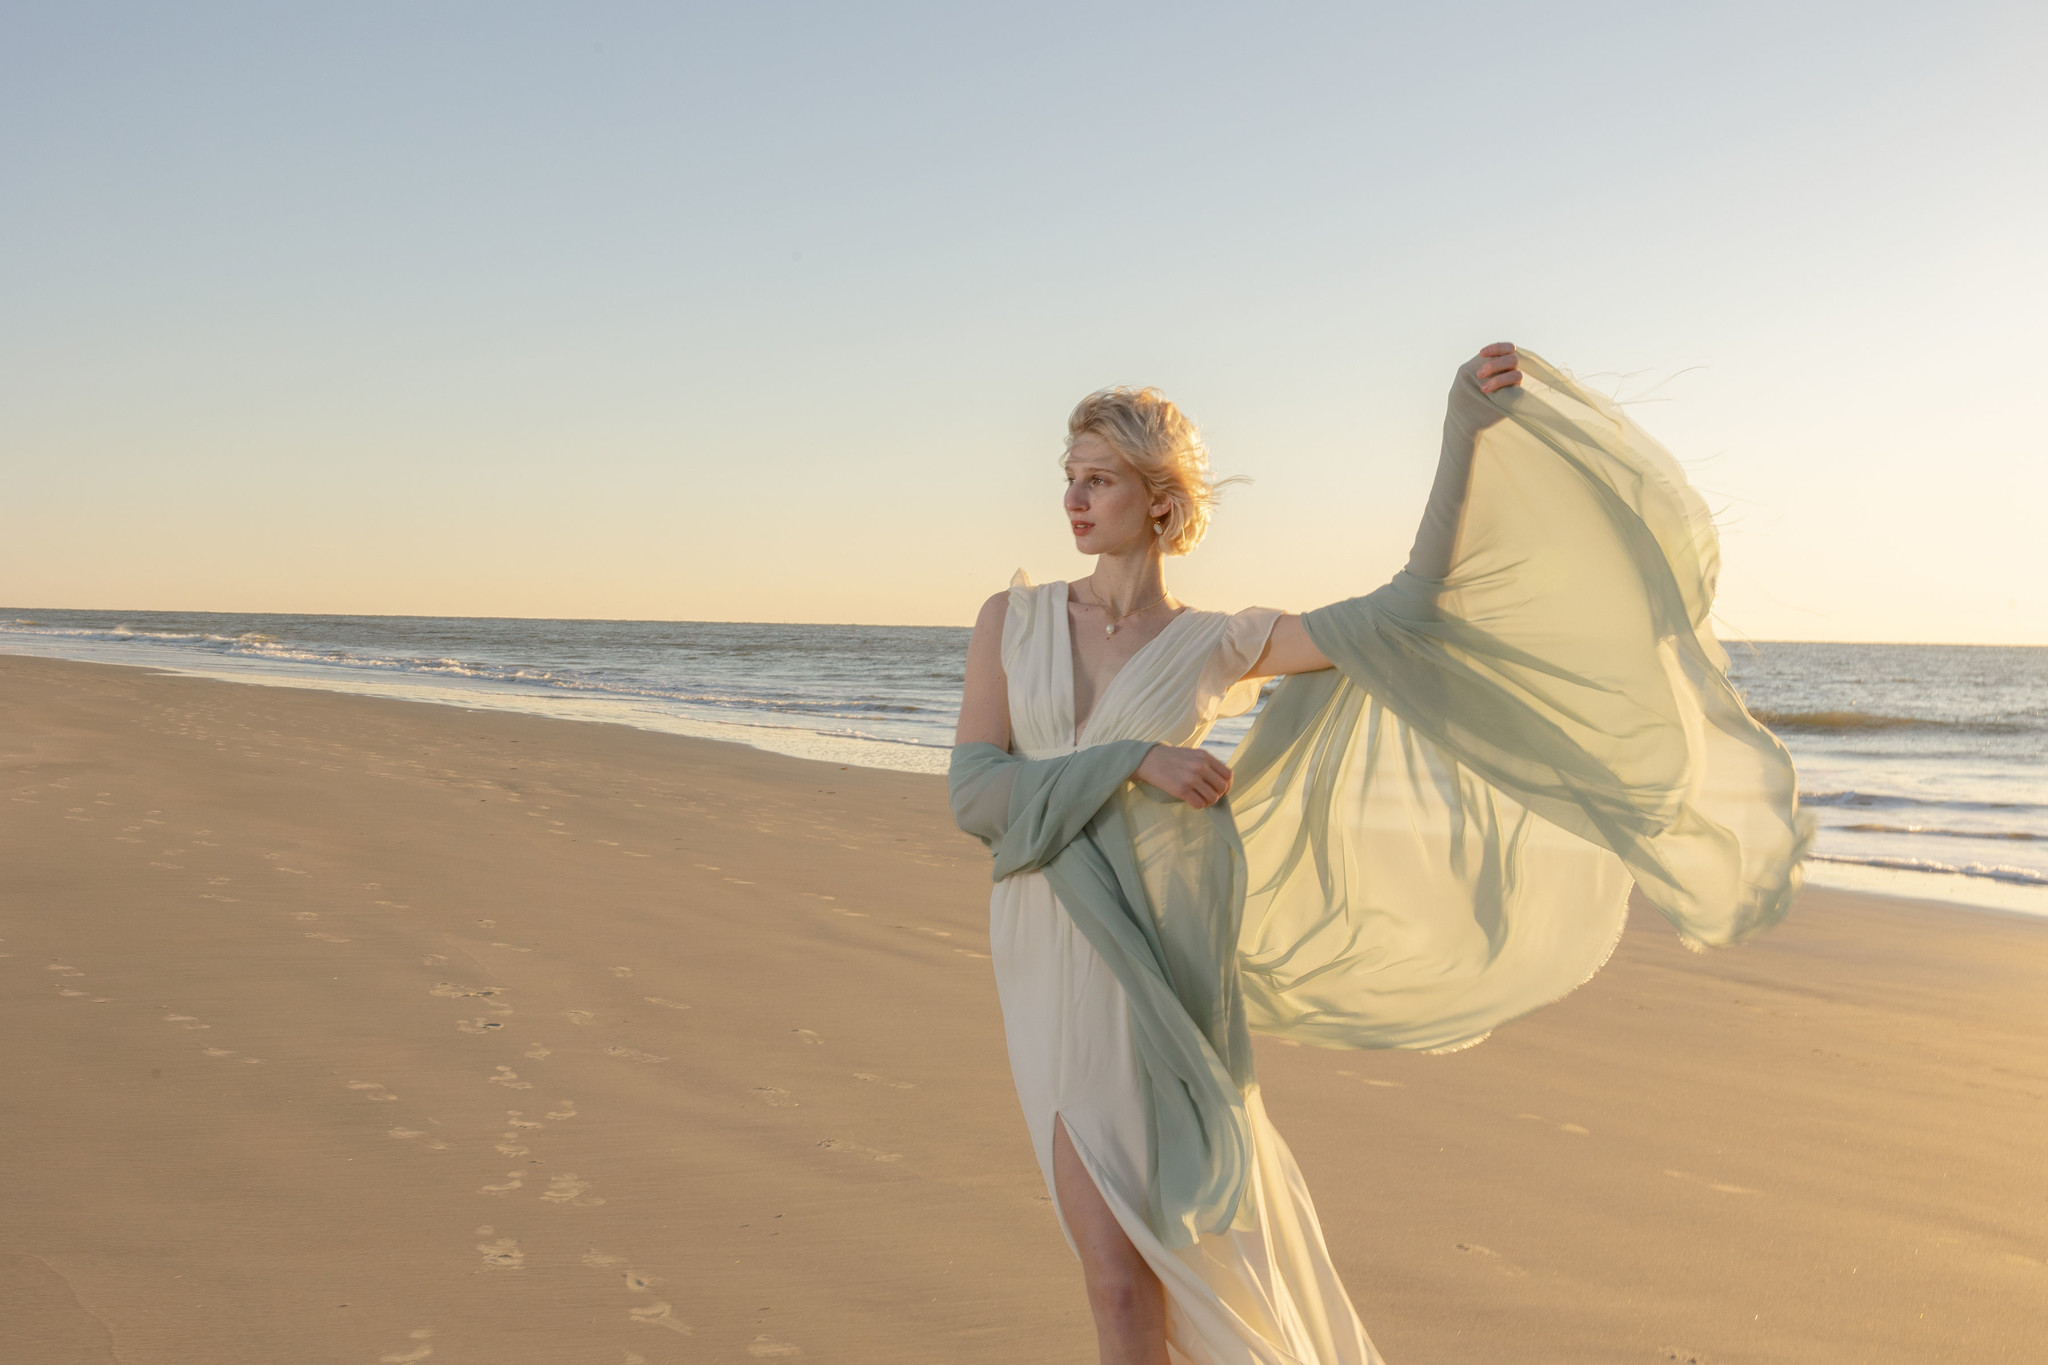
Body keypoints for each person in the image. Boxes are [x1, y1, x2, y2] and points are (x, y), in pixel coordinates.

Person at [949, 344, 1809, 1364]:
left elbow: (1407, 610)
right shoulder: (1013, 621)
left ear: (1160, 500)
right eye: (1069, 479)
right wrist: (1131, 760)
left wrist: (1464, 434)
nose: (1073, 501)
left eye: (1096, 480)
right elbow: (975, 796)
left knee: (1158, 1270)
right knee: (1110, 1277)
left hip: (1160, 962)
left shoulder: (1217, 642)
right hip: (1048, 947)